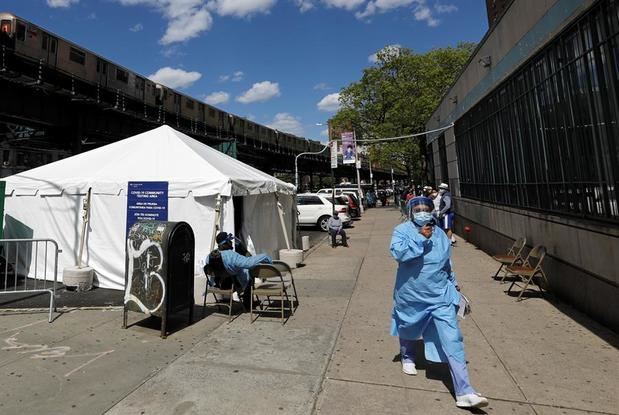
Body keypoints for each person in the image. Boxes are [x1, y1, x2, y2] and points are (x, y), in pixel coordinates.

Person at [390, 196, 488, 409]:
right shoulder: (402, 231)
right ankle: (407, 356)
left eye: (426, 208)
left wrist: (454, 283)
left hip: (440, 295)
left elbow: (447, 262)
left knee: (453, 338)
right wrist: (420, 238)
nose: (422, 211)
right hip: (411, 294)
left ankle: (464, 391)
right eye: (417, 209)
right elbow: (398, 254)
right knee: (408, 326)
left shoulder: (441, 234)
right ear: (410, 211)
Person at [204, 232, 272, 310]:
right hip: (230, 285)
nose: (231, 243)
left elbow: (207, 268)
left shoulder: (210, 256)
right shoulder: (232, 256)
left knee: (236, 271)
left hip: (216, 285)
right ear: (225, 243)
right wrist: (264, 256)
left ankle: (242, 299)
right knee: (249, 273)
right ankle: (248, 303)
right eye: (229, 241)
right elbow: (248, 263)